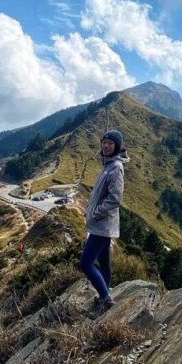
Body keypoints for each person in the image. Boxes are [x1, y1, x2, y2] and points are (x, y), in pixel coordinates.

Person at [80, 129, 129, 311]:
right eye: (104, 142)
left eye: (110, 143)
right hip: (103, 222)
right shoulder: (108, 164)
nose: (106, 146)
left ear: (117, 147)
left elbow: (115, 198)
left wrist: (96, 213)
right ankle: (106, 292)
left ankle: (105, 298)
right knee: (104, 261)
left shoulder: (116, 167)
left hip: (103, 223)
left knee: (85, 263)